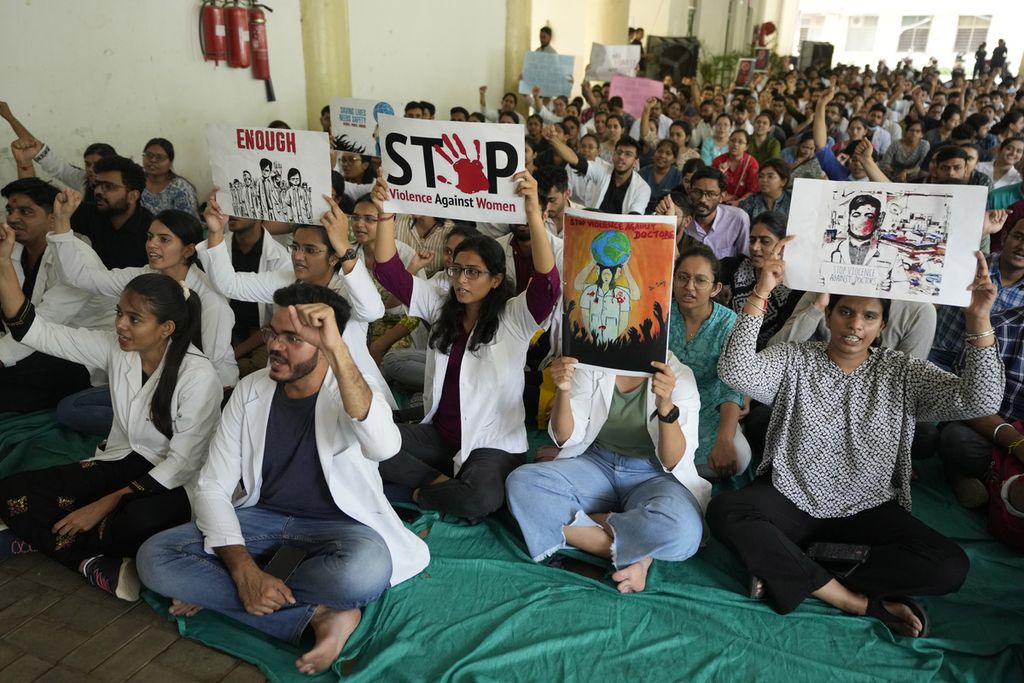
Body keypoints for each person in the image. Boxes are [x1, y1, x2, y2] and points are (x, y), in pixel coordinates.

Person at [708, 237, 1004, 638]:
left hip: (866, 507)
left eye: (869, 316)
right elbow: (736, 370)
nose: (855, 325)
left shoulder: (902, 371)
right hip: (791, 497)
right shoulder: (796, 357)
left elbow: (979, 398)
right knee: (727, 510)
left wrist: (979, 320)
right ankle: (851, 598)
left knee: (950, 565)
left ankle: (795, 567)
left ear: (882, 325)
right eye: (846, 312)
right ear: (829, 315)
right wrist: (762, 291)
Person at [136, 283, 430, 675]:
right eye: (274, 333)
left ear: (327, 343)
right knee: (154, 559)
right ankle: (321, 617)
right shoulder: (250, 389)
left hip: (340, 530)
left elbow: (384, 447)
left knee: (365, 573)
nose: (275, 346)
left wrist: (339, 352)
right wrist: (242, 572)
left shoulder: (356, 388)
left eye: (293, 338)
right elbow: (212, 486)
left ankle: (228, 589)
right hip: (263, 520)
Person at [0, 223, 221, 601]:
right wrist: (4, 261)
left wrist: (111, 499)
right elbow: (32, 330)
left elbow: (184, 463)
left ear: (166, 327)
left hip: (174, 477)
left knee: (136, 521)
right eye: (120, 313)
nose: (119, 324)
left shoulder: (198, 375)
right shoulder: (116, 348)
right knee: (11, 490)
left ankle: (38, 535)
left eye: (134, 319)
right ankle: (91, 562)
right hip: (124, 459)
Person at [372, 170, 559, 520]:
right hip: (440, 437)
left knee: (480, 499)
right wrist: (385, 212)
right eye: (457, 269)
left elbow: (548, 284)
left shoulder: (514, 316)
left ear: (496, 279)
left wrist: (533, 213)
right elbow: (388, 270)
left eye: (473, 272)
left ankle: (416, 491)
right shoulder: (441, 305)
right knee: (365, 441)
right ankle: (440, 483)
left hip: (492, 445)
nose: (461, 279)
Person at [504, 348, 708, 594]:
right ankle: (636, 557)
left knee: (683, 532)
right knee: (522, 484)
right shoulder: (592, 365)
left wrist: (666, 407)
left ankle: (594, 522)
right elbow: (563, 436)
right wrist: (564, 390)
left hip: (655, 474)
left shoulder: (678, 376)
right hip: (596, 463)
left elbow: (673, 459)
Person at [197, 189, 396, 407]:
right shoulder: (288, 281)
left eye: (310, 250)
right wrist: (215, 232)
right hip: (293, 382)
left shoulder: (347, 286)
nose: (298, 256)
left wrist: (345, 248)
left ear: (333, 258)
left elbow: (373, 311)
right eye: (295, 247)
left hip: (344, 391)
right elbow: (229, 284)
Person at [0, 181, 114, 412]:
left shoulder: (76, 261)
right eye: (10, 211)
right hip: (36, 340)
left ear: (53, 218)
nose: (13, 219)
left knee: (13, 380)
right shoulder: (17, 249)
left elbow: (38, 328)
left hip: (79, 357)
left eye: (26, 211)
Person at [668, 245, 751, 480]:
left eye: (700, 280)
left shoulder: (729, 324)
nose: (689, 287)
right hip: (661, 404)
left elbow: (731, 386)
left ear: (715, 288)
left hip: (709, 408)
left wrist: (724, 440)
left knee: (739, 457)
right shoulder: (660, 313)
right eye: (682, 278)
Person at [930, 216, 1024, 370]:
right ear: (1005, 236)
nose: (1022, 246)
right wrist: (983, 229)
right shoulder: (970, 263)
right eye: (1019, 237)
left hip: (984, 369)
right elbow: (939, 254)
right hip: (939, 355)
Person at [0, 100, 117, 204]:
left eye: (97, 164)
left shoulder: (127, 186)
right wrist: (9, 117)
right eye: (87, 164)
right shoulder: (82, 180)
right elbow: (36, 149)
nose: (91, 169)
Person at [728, 211, 801, 350]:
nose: (755, 247)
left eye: (765, 241)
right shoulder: (735, 267)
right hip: (731, 350)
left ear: (783, 245)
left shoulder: (793, 287)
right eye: (752, 240)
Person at [69, 155, 154, 269]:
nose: (98, 191)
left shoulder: (151, 232)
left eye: (108, 186)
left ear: (132, 196)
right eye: (97, 185)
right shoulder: (90, 213)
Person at [546, 130, 651, 215]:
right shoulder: (603, 169)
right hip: (593, 226)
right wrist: (553, 140)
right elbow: (576, 161)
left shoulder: (642, 188)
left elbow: (634, 219)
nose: (621, 157)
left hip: (620, 235)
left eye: (628, 154)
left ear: (635, 162)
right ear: (613, 155)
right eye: (619, 152)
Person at [683, 167, 750, 259]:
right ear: (690, 192)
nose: (703, 199)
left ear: (722, 197)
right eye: (697, 192)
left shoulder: (738, 218)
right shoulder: (681, 220)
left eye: (711, 194)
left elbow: (746, 259)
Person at [140, 138, 199, 219]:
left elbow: (186, 224)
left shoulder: (180, 188)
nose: (153, 160)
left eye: (159, 157)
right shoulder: (135, 180)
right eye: (149, 155)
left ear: (170, 162)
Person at [712, 130, 759, 203]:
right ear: (728, 142)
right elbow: (711, 185)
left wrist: (738, 202)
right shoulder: (718, 161)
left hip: (743, 204)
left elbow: (753, 190)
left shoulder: (751, 163)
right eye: (733, 141)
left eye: (740, 142)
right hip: (719, 201)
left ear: (746, 147)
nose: (735, 144)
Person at [639, 139, 682, 212]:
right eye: (660, 151)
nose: (662, 155)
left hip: (667, 216)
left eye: (668, 153)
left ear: (674, 159)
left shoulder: (678, 176)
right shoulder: (643, 172)